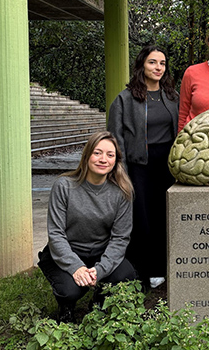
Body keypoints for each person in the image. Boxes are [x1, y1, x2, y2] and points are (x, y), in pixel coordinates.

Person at [38, 131, 137, 323]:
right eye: (97, 153)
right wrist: (76, 267)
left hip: (100, 251)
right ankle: (66, 307)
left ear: (116, 161)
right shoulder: (64, 186)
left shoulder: (122, 192)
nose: (103, 159)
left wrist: (99, 270)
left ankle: (99, 303)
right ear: (87, 155)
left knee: (126, 274)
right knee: (70, 290)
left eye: (110, 155)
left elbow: (120, 238)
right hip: (67, 251)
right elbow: (56, 234)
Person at [108, 45, 178, 290]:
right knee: (142, 220)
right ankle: (141, 271)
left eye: (162, 63)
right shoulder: (125, 99)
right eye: (152, 62)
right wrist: (121, 171)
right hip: (139, 166)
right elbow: (115, 139)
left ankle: (164, 268)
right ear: (141, 65)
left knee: (164, 217)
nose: (158, 67)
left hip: (167, 165)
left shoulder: (171, 96)